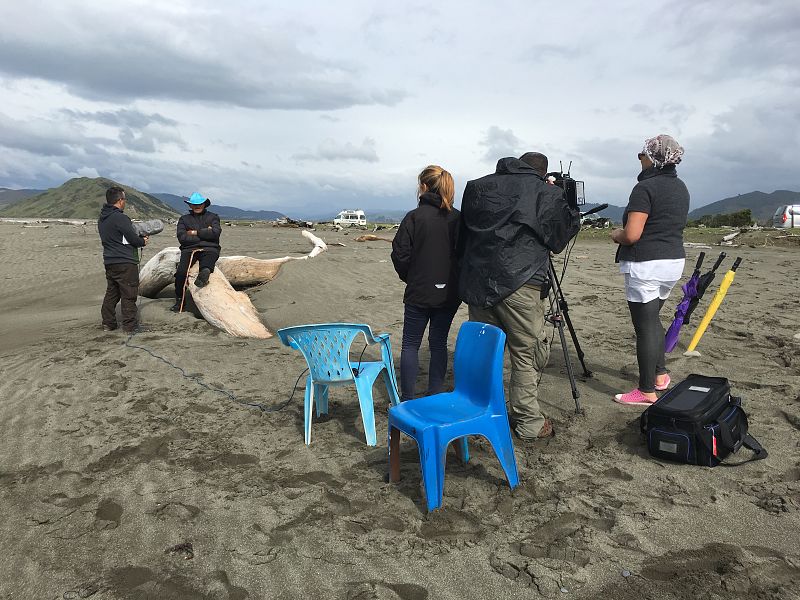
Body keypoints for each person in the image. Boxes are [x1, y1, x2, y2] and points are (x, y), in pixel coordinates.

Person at [459, 152, 580, 440]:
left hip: (478, 282)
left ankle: (477, 411)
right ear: (543, 173)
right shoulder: (543, 192)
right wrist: (564, 201)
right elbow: (559, 238)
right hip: (522, 282)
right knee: (525, 354)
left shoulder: (477, 187)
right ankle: (528, 421)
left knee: (485, 351)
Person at [611, 134, 689, 405]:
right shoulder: (681, 187)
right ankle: (660, 375)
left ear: (653, 159)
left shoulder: (645, 189)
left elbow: (632, 235)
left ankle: (646, 391)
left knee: (645, 327)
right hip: (673, 262)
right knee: (653, 320)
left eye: (642, 153)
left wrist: (616, 234)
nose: (639, 158)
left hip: (645, 264)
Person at [391, 165, 461, 400]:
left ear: (423, 186)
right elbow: (464, 255)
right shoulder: (458, 218)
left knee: (411, 344)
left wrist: (411, 277)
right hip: (449, 293)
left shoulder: (414, 217)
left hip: (419, 291)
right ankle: (434, 395)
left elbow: (400, 254)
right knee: (438, 343)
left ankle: (408, 399)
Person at [98, 186, 148, 332]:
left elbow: (120, 237)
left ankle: (108, 323)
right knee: (129, 294)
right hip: (125, 262)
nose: (125, 202)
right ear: (120, 200)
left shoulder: (102, 219)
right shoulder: (120, 218)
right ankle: (130, 326)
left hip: (110, 261)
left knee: (112, 293)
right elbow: (132, 237)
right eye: (124, 199)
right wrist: (142, 241)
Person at [172, 192, 222, 312]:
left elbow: (216, 233)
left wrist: (194, 232)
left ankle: (205, 271)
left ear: (204, 204)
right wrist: (206, 233)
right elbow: (182, 238)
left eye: (199, 203)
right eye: (194, 204)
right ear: (190, 206)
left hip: (210, 248)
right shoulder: (184, 219)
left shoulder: (213, 216)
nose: (197, 206)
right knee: (181, 273)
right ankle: (180, 300)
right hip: (189, 249)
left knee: (208, 261)